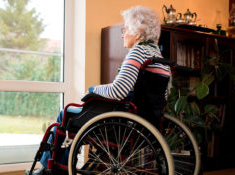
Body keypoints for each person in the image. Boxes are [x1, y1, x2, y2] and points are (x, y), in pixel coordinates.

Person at [26, 5, 170, 175]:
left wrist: (93, 89)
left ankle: (51, 169)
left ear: (137, 32)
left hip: (122, 125)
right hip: (144, 124)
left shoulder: (137, 52)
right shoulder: (160, 59)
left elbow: (119, 91)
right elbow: (165, 95)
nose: (123, 34)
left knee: (64, 114)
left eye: (125, 29)